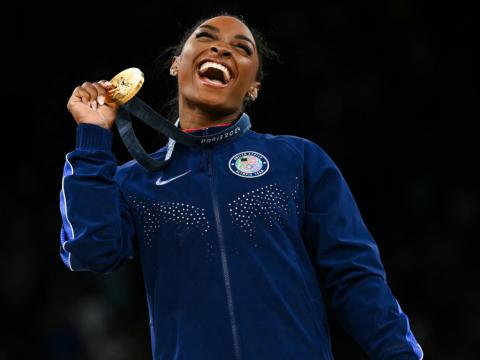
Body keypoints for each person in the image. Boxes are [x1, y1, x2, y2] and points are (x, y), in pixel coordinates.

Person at [60, 14, 423, 360]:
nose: (221, 49)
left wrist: (399, 353)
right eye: (206, 38)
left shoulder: (298, 160)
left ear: (254, 87)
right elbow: (89, 252)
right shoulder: (134, 181)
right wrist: (92, 137)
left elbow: (355, 276)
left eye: (242, 48)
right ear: (176, 64)